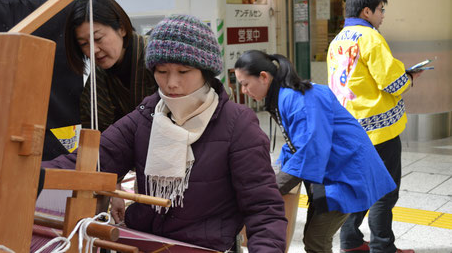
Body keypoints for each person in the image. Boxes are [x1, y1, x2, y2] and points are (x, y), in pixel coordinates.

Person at [43, 14, 288, 252]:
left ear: (205, 71)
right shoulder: (147, 115)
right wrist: (32, 175)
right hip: (141, 243)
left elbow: (264, 209)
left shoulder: (237, 124)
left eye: (183, 72)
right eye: (161, 71)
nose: (171, 83)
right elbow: (92, 161)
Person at [234, 50, 396, 253]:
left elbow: (309, 151)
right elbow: (296, 144)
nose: (243, 90)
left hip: (347, 172)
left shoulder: (295, 99)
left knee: (316, 241)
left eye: (245, 83)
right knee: (314, 239)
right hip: (334, 170)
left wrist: (271, 189)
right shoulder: (286, 95)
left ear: (264, 77)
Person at [327, 0, 420, 253]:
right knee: (385, 190)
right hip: (379, 130)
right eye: (381, 10)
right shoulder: (370, 38)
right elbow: (392, 83)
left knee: (357, 186)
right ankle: (382, 247)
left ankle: (351, 241)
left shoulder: (338, 40)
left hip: (348, 127)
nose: (382, 16)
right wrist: (410, 77)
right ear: (366, 11)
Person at [64, 0, 157, 133]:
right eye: (84, 44)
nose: (93, 49)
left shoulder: (156, 58)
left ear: (122, 28)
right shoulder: (98, 79)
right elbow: (94, 132)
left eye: (98, 38)